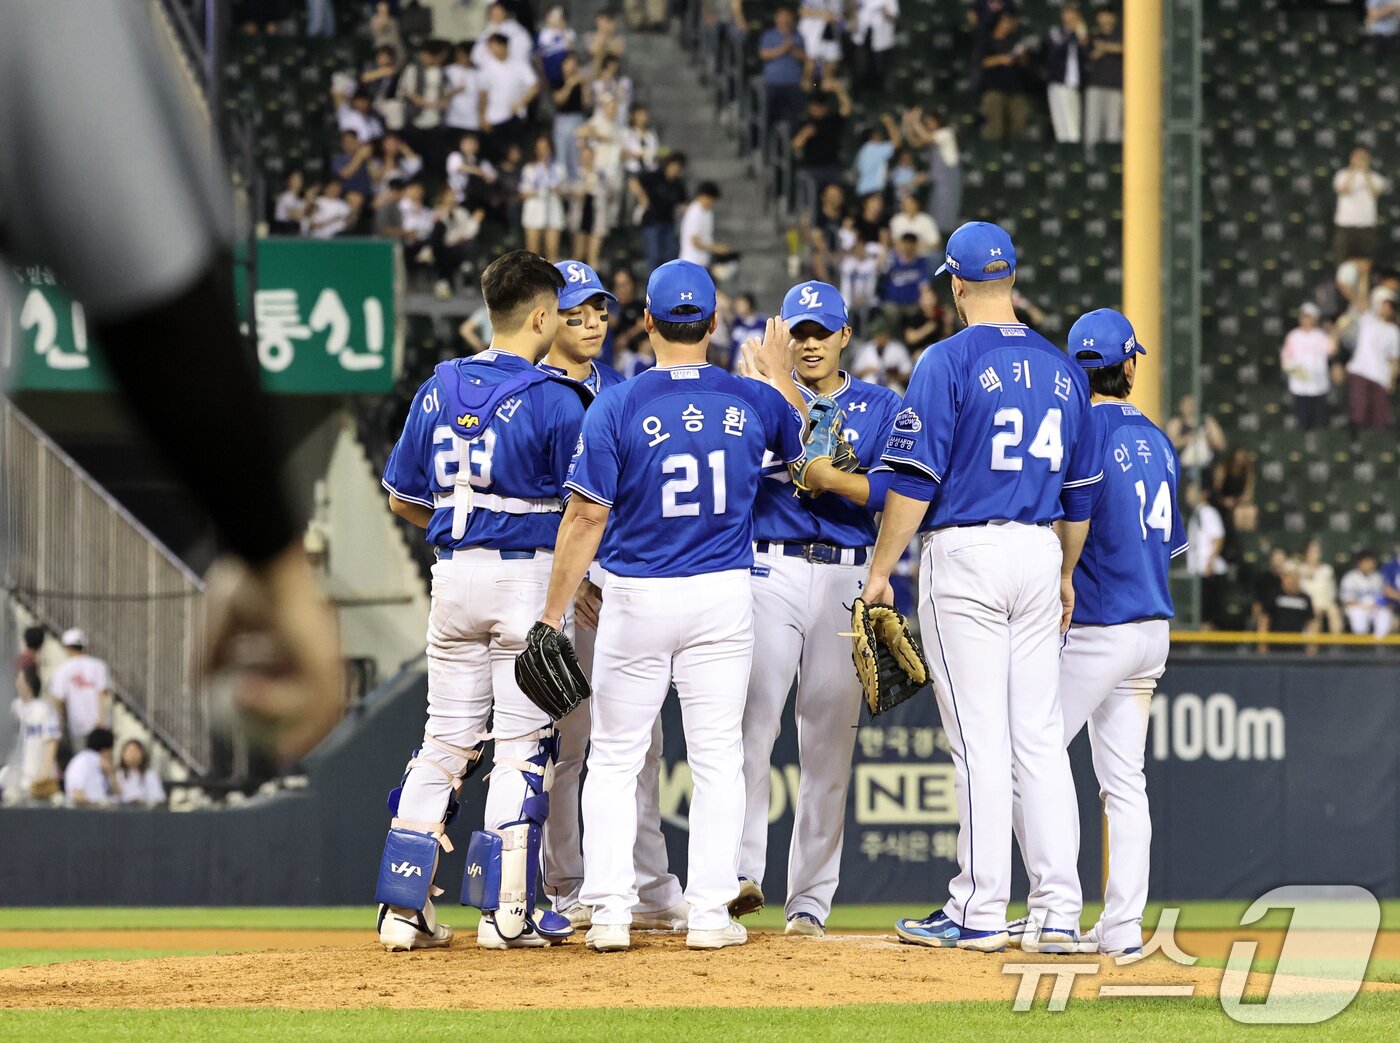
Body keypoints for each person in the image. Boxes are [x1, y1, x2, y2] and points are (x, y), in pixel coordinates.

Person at [534, 261, 806, 952]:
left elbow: (585, 518)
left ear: (647, 321)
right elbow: (811, 454)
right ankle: (711, 913)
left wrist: (552, 612)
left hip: (637, 594)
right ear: (715, 323)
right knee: (716, 756)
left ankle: (612, 910)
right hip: (721, 593)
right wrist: (779, 377)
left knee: (617, 755)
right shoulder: (753, 399)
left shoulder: (617, 404)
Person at [868, 222, 1097, 952]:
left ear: (956, 284)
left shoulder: (946, 359)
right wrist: (1064, 572)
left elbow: (914, 478)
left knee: (978, 741)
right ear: (1013, 278)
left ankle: (977, 908)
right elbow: (1083, 493)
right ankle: (1059, 907)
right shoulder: (1065, 370)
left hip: (966, 551)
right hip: (1037, 548)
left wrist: (880, 571)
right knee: (1038, 741)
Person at [374, 251, 583, 953]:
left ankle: (401, 911)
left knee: (444, 743)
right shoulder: (555, 397)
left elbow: (403, 496)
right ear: (541, 315)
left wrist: (458, 532)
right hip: (524, 577)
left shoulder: (437, 388)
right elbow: (586, 511)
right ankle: (507, 912)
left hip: (451, 574)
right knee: (524, 745)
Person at [1007, 307, 1184, 959]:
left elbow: (1062, 526)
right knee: (1125, 781)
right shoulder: (1160, 441)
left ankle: (1053, 905)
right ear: (1127, 363)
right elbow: (1165, 544)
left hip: (1097, 627)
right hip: (1151, 628)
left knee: (1031, 756)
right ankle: (1122, 927)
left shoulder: (1073, 433)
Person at [731, 281, 902, 936]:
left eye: (820, 331)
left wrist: (783, 387)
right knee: (752, 724)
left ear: (844, 337)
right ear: (783, 334)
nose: (808, 342)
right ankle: (742, 872)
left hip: (844, 574)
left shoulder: (879, 403)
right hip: (767, 565)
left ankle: (809, 903)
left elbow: (885, 491)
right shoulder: (751, 397)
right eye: (798, 331)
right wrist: (774, 387)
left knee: (829, 744)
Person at [535, 260, 688, 933]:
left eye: (599, 309)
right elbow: (548, 506)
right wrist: (577, 575)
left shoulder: (621, 391)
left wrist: (609, 567)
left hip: (614, 589)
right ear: (547, 318)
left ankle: (650, 886)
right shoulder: (531, 390)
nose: (592, 321)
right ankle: (567, 883)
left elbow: (630, 499)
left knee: (639, 740)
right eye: (576, 312)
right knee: (568, 745)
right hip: (554, 582)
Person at [9, 627, 61, 803]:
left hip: (36, 774)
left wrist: (44, 775)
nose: (17, 682)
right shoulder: (15, 707)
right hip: (18, 774)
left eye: (21, 679)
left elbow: (51, 740)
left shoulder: (43, 709)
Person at [48, 629, 112, 755]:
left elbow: (58, 699)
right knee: (101, 762)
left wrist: (62, 722)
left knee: (81, 761)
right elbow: (103, 694)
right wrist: (102, 719)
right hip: (99, 726)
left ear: (67, 647)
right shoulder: (99, 665)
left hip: (77, 726)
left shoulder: (62, 670)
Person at [1346, 288, 1399, 431]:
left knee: (1380, 417)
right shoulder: (1368, 320)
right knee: (1359, 413)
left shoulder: (1393, 331)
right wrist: (1364, 275)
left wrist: (1392, 380)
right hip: (1361, 373)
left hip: (1380, 377)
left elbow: (1394, 359)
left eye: (1390, 306)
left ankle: (1377, 448)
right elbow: (1361, 299)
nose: (1387, 309)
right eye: (1384, 304)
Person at [1280, 302, 1337, 431]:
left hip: (1319, 386)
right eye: (1304, 316)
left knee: (1320, 422)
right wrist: (1301, 375)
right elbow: (1285, 360)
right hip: (1300, 387)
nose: (1307, 320)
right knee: (1303, 422)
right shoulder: (1293, 336)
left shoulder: (1321, 336)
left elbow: (1332, 350)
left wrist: (1333, 331)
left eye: (1310, 317)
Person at [979, 12, 1032, 143]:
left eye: (1009, 22)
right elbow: (982, 62)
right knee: (996, 127)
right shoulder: (987, 41)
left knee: (1019, 124)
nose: (1007, 25)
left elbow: (1025, 64)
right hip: (994, 88)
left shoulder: (1014, 41)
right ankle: (995, 155)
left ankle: (1016, 156)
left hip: (1015, 88)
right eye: (1004, 22)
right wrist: (1000, 59)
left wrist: (1023, 56)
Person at [632, 153, 689, 273]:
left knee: (670, 255)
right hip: (652, 221)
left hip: (668, 222)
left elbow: (682, 202)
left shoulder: (678, 184)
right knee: (654, 256)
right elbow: (634, 181)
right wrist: (643, 198)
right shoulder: (654, 176)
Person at [1333, 147, 1388, 266]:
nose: (1360, 161)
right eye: (1357, 158)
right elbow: (1343, 190)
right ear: (1351, 159)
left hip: (1366, 225)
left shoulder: (1376, 177)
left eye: (1363, 158)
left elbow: (1375, 193)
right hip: (1346, 225)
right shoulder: (1342, 175)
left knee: (1365, 264)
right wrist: (1352, 172)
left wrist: (1366, 174)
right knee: (1343, 264)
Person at [1186, 483, 1229, 629]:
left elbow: (1218, 537)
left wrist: (1211, 561)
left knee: (1208, 614)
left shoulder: (1208, 512)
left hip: (1208, 571)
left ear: (1203, 494)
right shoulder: (1195, 513)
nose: (1189, 494)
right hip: (1198, 571)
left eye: (1192, 490)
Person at [759, 7, 809, 134]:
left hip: (793, 82)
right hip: (774, 83)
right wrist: (782, 49)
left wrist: (793, 50)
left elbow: (806, 57)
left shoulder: (798, 37)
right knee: (771, 117)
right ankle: (767, 144)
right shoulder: (769, 35)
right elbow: (764, 54)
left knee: (796, 117)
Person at [1043, 3, 1087, 144]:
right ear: (1063, 15)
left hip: (1073, 83)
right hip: (1058, 81)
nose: (1071, 16)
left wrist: (1081, 36)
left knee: (1072, 122)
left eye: (1074, 13)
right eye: (1068, 12)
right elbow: (1057, 49)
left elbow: (1086, 53)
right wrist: (1073, 33)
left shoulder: (1081, 32)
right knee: (1061, 122)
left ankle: (1072, 153)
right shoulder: (1057, 31)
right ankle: (1064, 152)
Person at [520, 136, 567, 261]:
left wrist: (557, 190)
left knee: (552, 251)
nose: (543, 151)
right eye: (540, 148)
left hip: (553, 210)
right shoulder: (529, 168)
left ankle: (554, 279)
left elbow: (564, 191)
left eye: (546, 148)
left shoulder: (559, 169)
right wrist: (537, 190)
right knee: (533, 253)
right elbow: (522, 191)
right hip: (534, 210)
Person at [1084, 7, 1123, 149]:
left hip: (1116, 85)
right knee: (1093, 127)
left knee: (1114, 127)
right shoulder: (1093, 34)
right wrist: (1107, 48)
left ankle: (1112, 157)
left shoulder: (1122, 33)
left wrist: (1105, 47)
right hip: (1096, 84)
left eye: (1108, 15)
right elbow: (1090, 54)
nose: (1105, 18)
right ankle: (1093, 159)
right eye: (1102, 15)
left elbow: (1124, 48)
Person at [1165, 394, 1225, 486]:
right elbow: (1169, 444)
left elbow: (1220, 445)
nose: (1189, 407)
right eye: (1186, 405)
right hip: (1183, 469)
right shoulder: (1176, 423)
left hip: (1205, 469)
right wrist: (1188, 439)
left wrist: (1209, 440)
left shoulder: (1207, 422)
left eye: (1191, 404)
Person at [1340, 550, 1393, 636]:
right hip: (1357, 607)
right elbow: (1347, 600)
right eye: (1367, 561)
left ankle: (1380, 644)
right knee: (1358, 614)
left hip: (1375, 607)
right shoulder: (1350, 577)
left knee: (1385, 613)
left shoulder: (1378, 577)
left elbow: (1384, 597)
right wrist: (1363, 606)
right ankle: (1362, 645)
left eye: (1371, 561)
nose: (1371, 563)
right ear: (1360, 563)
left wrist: (1377, 605)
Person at [678, 182, 727, 269]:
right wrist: (716, 248)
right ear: (703, 196)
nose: (712, 203)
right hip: (691, 263)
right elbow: (695, 242)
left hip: (703, 262)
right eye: (711, 199)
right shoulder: (695, 212)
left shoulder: (708, 212)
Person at [1299, 538, 1342, 635]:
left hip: (1325, 602)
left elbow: (1332, 590)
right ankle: (1312, 647)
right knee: (1314, 614)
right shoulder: (1300, 569)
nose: (1314, 554)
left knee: (1334, 611)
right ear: (1305, 553)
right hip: (1307, 604)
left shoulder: (1327, 569)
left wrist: (1326, 604)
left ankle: (1336, 645)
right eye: (1311, 551)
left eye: (1317, 551)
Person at [64, 727, 116, 807]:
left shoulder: (99, 764)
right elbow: (76, 793)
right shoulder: (84, 761)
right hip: (87, 812)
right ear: (106, 749)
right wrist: (94, 807)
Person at [1213, 447, 1257, 535]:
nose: (1239, 461)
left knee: (1251, 511)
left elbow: (1249, 492)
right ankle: (1236, 538)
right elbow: (1215, 490)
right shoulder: (1222, 470)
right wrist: (1223, 500)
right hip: (1223, 500)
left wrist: (1243, 499)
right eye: (1237, 459)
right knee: (1238, 513)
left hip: (1239, 501)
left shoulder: (1248, 473)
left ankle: (1248, 538)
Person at [115, 738, 166, 806]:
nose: (133, 755)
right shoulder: (117, 774)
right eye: (130, 751)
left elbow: (158, 797)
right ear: (123, 755)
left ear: (142, 754)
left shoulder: (150, 774)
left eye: (136, 751)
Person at [889, 192, 940, 258]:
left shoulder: (927, 220)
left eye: (909, 203)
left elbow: (935, 243)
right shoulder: (896, 220)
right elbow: (894, 242)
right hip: (901, 255)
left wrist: (918, 248)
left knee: (936, 256)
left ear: (917, 204)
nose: (906, 206)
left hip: (922, 255)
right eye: (904, 204)